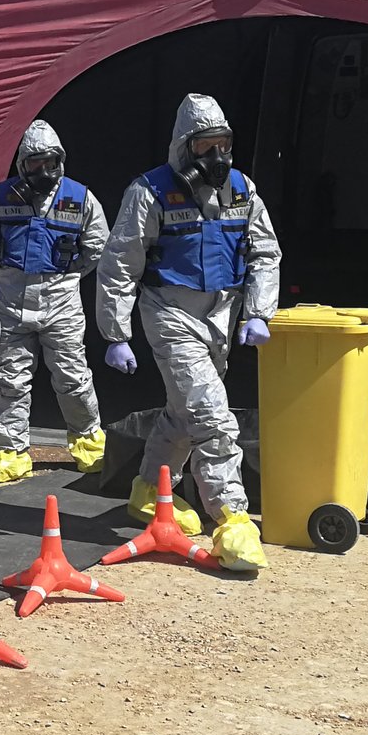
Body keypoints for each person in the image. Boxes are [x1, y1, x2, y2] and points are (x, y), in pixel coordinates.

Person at [95, 93, 280, 570]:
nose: (216, 157)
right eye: (205, 146)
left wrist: (257, 310)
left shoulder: (243, 190)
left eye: (223, 144)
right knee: (212, 416)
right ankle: (233, 520)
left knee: (183, 413)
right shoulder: (149, 192)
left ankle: (146, 489)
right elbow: (120, 264)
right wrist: (115, 333)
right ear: (184, 148)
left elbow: (265, 252)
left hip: (223, 310)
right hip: (170, 312)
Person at [0, 119, 108, 482]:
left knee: (73, 378)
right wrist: (5, 269)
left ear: (60, 161)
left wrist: (70, 273)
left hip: (62, 302)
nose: (44, 170)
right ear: (22, 165)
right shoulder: (1, 197)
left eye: (50, 162)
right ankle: (12, 451)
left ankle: (89, 442)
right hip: (12, 302)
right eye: (35, 163)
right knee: (11, 380)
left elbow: (97, 246)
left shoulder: (80, 198)